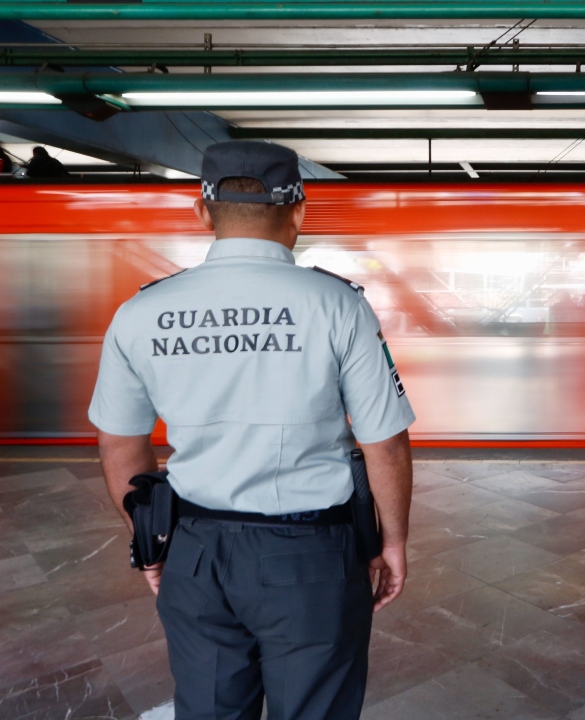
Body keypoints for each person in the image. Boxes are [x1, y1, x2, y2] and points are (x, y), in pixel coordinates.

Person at [89, 141, 416, 720]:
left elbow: (120, 444)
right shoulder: (337, 304)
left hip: (194, 552)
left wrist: (151, 542)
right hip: (312, 558)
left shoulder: (141, 312)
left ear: (203, 212)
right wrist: (391, 542)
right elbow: (383, 441)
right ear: (298, 212)